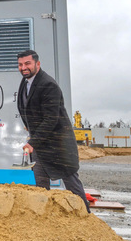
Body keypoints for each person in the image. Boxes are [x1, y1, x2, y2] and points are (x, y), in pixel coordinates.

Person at [16, 50, 90, 211]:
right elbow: (24, 108)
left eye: (27, 63)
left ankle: (87, 217)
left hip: (59, 144)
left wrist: (32, 142)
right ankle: (44, 219)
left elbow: (51, 119)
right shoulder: (25, 82)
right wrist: (30, 129)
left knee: (71, 182)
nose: (23, 68)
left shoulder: (48, 84)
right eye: (20, 64)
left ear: (37, 64)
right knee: (41, 186)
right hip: (40, 143)